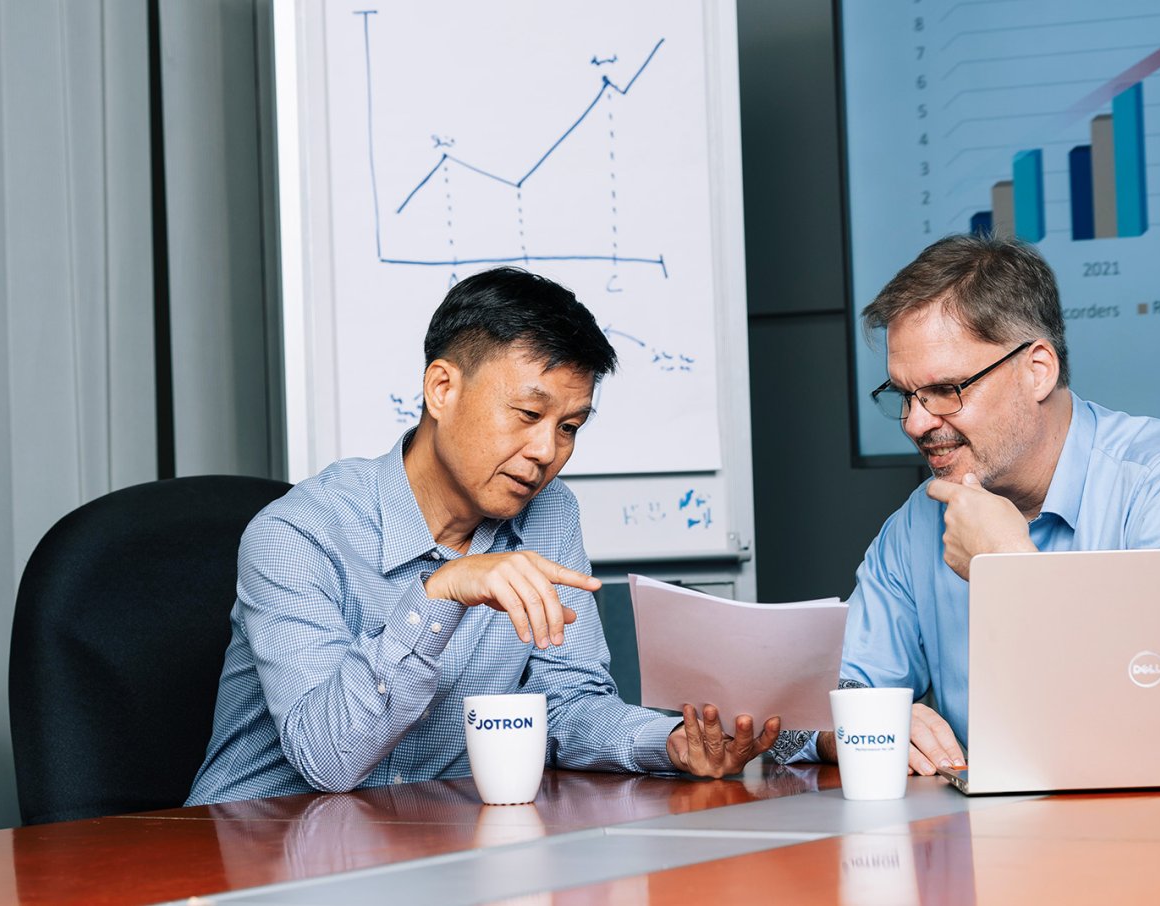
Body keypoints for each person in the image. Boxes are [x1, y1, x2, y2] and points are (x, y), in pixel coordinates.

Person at [187, 267, 778, 805]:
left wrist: (672, 743)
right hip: (259, 851)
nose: (547, 452)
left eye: (569, 427)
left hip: (428, 845)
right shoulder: (297, 534)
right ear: (442, 389)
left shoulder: (548, 515)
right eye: (527, 415)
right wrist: (440, 595)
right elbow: (328, 758)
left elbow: (567, 709)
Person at [771, 234, 1160, 774]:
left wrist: (1013, 572)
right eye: (905, 396)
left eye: (946, 389)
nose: (915, 423)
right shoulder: (919, 522)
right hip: (1016, 837)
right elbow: (819, 702)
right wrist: (854, 727)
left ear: (1038, 370)